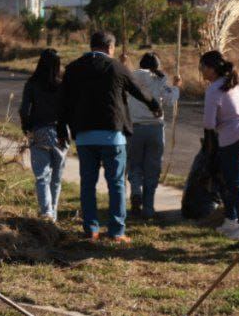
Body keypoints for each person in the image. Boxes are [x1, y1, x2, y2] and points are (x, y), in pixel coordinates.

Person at [60, 31, 162, 243]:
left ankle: (91, 230)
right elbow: (138, 91)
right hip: (112, 135)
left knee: (87, 184)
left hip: (84, 137)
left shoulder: (73, 68)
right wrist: (155, 106)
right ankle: (116, 231)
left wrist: (65, 130)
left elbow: (64, 102)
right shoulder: (117, 67)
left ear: (92, 46)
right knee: (115, 183)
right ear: (110, 48)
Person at [200, 49, 239, 242]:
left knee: (232, 181)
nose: (201, 72)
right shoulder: (237, 80)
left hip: (233, 136)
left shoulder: (214, 89)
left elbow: (209, 124)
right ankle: (231, 220)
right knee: (228, 179)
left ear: (211, 69)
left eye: (203, 68)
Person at [127, 52, 180, 219]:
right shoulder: (160, 79)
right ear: (157, 65)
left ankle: (136, 191)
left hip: (134, 128)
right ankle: (148, 209)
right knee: (152, 169)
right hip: (155, 129)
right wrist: (177, 86)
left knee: (134, 164)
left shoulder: (130, 77)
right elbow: (170, 100)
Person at [20, 49, 68, 221]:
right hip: (61, 134)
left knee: (42, 176)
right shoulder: (62, 84)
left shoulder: (32, 83)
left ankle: (46, 212)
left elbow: (25, 110)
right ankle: (52, 214)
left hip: (39, 131)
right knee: (56, 178)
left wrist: (27, 128)